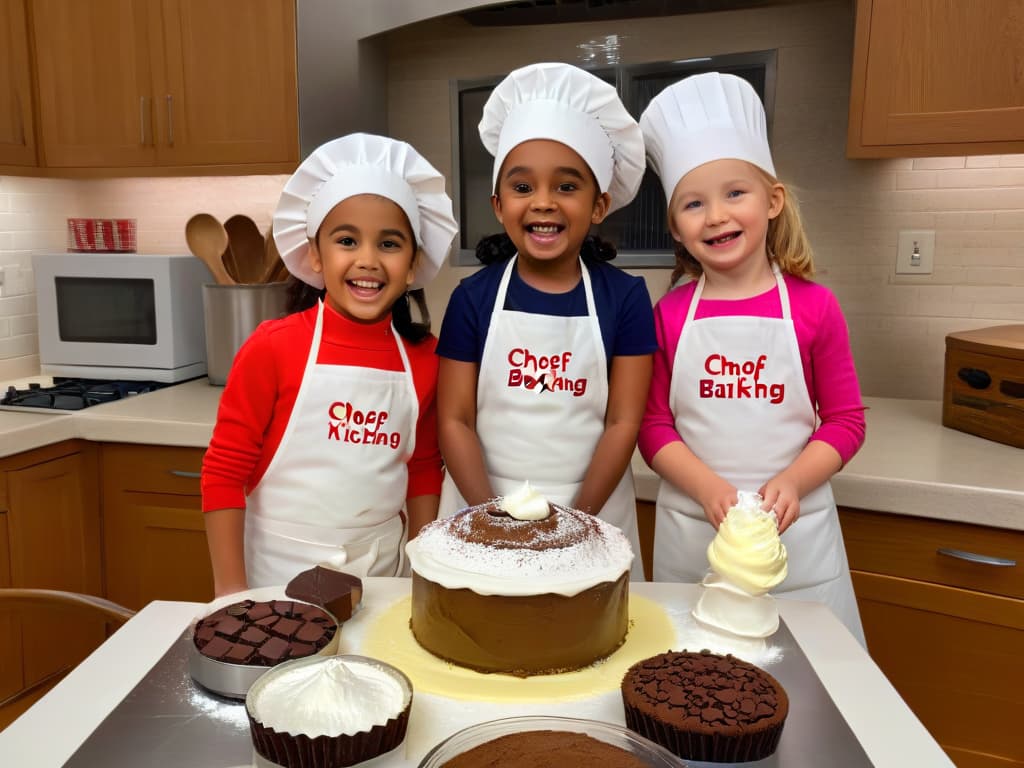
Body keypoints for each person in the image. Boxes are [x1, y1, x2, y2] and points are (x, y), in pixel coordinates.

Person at [637, 72, 867, 642]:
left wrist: (792, 482)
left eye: (734, 193)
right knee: (695, 686)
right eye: (693, 204)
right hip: (695, 530)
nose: (715, 215)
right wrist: (709, 490)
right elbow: (653, 425)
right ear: (678, 229)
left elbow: (846, 421)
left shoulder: (815, 308)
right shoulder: (668, 315)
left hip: (798, 535)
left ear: (773, 201)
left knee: (808, 681)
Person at [201, 133, 458, 595]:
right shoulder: (273, 347)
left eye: (389, 244)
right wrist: (230, 593)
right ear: (315, 255)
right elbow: (224, 472)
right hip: (276, 578)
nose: (367, 260)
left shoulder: (424, 358)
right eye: (346, 240)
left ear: (414, 264)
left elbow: (421, 469)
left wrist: (423, 578)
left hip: (383, 576)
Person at [436, 62, 657, 578]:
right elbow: (455, 420)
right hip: (480, 509)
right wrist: (492, 519)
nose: (542, 202)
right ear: (497, 203)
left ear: (599, 204)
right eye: (522, 187)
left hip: (594, 512)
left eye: (566, 186)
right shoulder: (472, 298)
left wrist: (575, 524)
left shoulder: (624, 299)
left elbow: (623, 423)